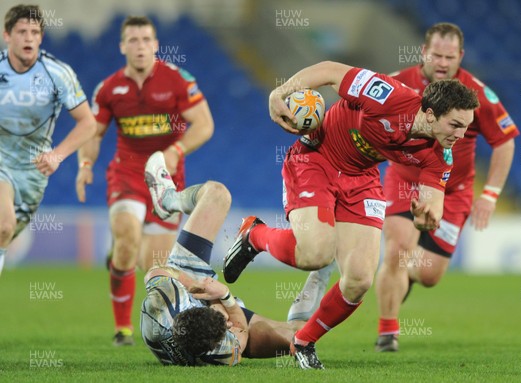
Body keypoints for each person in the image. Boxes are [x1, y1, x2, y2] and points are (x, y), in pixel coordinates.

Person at [223, 60, 480, 369]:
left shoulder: (442, 153)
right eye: (455, 125)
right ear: (429, 114)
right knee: (315, 254)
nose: (461, 135)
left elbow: (433, 200)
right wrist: (281, 91)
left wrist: (428, 217)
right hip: (317, 159)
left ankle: (304, 341)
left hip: (362, 178)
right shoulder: (389, 96)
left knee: (359, 279)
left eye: (466, 127)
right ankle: (254, 235)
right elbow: (331, 71)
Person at [372, 22, 520, 352]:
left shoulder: (476, 93)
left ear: (460, 56)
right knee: (397, 248)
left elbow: (505, 141)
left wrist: (490, 195)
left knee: (429, 275)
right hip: (405, 180)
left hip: (454, 191)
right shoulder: (397, 83)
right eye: (436, 54)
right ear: (423, 52)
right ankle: (387, 334)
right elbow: (366, 119)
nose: (442, 62)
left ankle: (405, 278)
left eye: (449, 56)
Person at [75, 16, 214, 346]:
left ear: (155, 45)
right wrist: (85, 163)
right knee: (125, 240)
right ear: (123, 46)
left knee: (155, 268)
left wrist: (176, 149)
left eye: (145, 40)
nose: (139, 46)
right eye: (133, 40)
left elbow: (204, 124)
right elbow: (93, 132)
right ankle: (123, 331)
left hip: (166, 180)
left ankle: (158, 325)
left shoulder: (178, 80)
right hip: (127, 173)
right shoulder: (109, 88)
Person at [141, 151, 313, 365]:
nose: (229, 324)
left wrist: (195, 284)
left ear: (191, 306)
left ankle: (167, 200)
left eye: (224, 322)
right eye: (226, 326)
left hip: (190, 277)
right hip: (211, 312)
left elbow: (156, 271)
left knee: (217, 194)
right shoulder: (222, 352)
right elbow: (240, 331)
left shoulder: (165, 300)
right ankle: (320, 271)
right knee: (302, 337)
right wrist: (224, 297)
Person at [0, 4, 96, 275]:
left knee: (7, 233)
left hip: (33, 170)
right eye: (21, 32)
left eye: (34, 32)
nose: (28, 38)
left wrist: (57, 155)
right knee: (3, 225)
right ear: (7, 35)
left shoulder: (57, 73)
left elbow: (88, 123)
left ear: (41, 37)